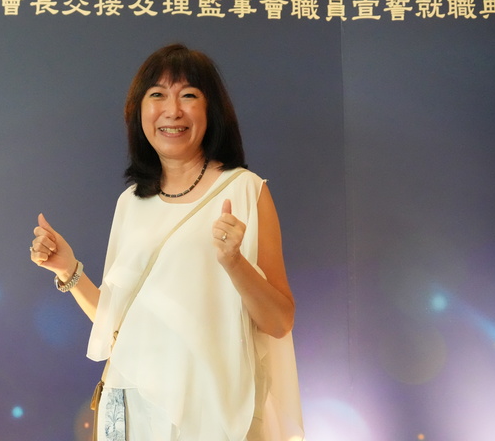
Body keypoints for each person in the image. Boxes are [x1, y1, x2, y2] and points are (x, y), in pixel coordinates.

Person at [29, 43, 303, 441]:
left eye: (188, 95)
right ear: (139, 111)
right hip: (131, 409)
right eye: (157, 95)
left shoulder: (245, 190)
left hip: (212, 413)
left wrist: (235, 263)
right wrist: (68, 270)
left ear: (211, 110)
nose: (172, 111)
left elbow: (279, 322)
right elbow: (118, 325)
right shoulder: (131, 202)